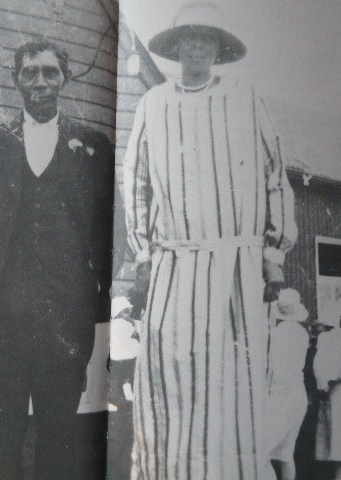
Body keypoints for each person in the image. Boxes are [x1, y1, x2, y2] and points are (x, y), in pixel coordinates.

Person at [123, 3, 297, 479]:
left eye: (207, 40)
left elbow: (275, 175)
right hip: (174, 264)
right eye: (189, 40)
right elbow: (136, 180)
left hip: (236, 265)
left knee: (232, 382)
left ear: (219, 50)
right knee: (169, 371)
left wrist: (273, 254)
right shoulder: (152, 105)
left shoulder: (245, 97)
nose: (196, 48)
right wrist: (144, 252)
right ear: (176, 48)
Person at [0, 40, 119, 479]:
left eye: (50, 72)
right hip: (1, 319)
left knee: (60, 440)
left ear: (65, 79)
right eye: (30, 72)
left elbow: (110, 227)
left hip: (65, 320)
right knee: (1, 438)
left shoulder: (92, 145)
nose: (40, 82)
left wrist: (108, 292)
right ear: (15, 79)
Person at [266, 289, 309, 480]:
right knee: (285, 454)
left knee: (262, 451)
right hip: (298, 395)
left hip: (280, 395)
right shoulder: (302, 333)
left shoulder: (276, 334)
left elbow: (273, 369)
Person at [314, 314, 341, 477]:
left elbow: (321, 370)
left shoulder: (328, 339)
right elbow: (323, 370)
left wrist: (323, 385)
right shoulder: (330, 339)